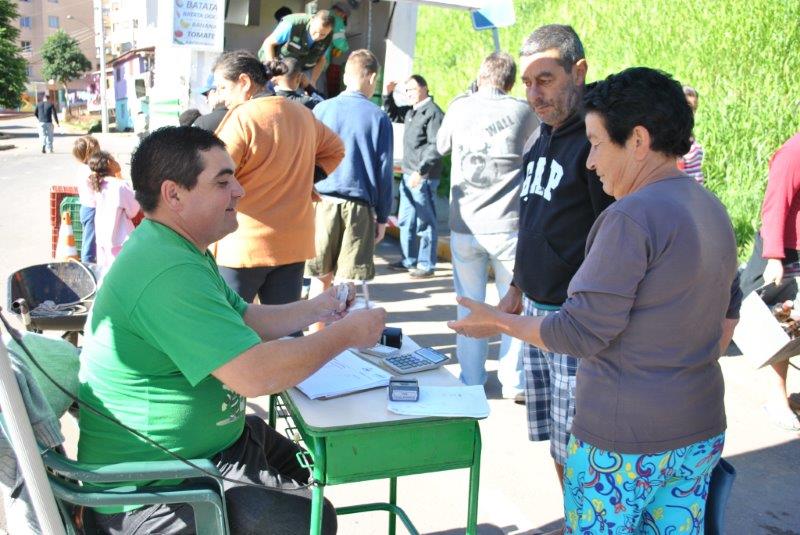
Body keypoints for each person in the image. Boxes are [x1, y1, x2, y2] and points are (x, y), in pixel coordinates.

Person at [450, 66, 741, 534]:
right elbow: (728, 316)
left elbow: (578, 332)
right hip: (699, 429)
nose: (590, 161)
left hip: (624, 443)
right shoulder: (711, 208)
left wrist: (497, 322)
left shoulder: (630, 216)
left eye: (598, 143)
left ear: (639, 141)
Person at [78, 126, 386, 534]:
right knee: (313, 519)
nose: (239, 191)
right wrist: (347, 335)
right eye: (223, 182)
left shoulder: (178, 247)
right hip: (155, 488)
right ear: (174, 195)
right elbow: (254, 375)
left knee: (310, 471)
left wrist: (321, 307)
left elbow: (242, 318)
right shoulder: (167, 269)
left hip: (207, 450)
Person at [493, 25, 614, 499]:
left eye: (544, 79)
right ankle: (575, 519)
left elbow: (611, 234)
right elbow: (534, 221)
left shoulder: (596, 140)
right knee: (558, 443)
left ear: (578, 71)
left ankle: (588, 523)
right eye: (526, 82)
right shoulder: (541, 136)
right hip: (536, 313)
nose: (532, 93)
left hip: (574, 319)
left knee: (581, 444)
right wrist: (517, 288)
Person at [436, 52, 538, 401]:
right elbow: (535, 148)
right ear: (510, 81)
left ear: (480, 76)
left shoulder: (459, 106)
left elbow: (441, 145)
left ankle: (472, 379)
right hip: (509, 224)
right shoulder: (523, 111)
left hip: (465, 225)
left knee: (469, 303)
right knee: (511, 305)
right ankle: (514, 382)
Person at [213, 51, 344, 308]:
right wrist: (307, 178)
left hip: (244, 244)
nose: (221, 97)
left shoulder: (243, 117)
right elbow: (336, 149)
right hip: (293, 241)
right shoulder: (303, 114)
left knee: (229, 329)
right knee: (287, 328)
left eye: (223, 88)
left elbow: (214, 173)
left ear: (244, 82)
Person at [306, 49, 393, 327]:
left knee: (319, 277)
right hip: (358, 207)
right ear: (372, 77)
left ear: (345, 75)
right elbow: (383, 172)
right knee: (347, 281)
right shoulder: (378, 117)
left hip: (321, 201)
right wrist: (382, 216)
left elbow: (308, 159)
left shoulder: (321, 109)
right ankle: (337, 344)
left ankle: (315, 337)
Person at [739, 131, 800, 431]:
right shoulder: (794, 151)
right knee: (782, 329)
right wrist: (774, 257)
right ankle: (777, 398)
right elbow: (775, 204)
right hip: (785, 252)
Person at [383, 74, 445, 278]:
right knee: (406, 221)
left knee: (425, 221)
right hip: (409, 174)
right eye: (406, 91)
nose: (409, 94)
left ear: (424, 88)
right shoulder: (412, 111)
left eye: (412, 89)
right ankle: (408, 259)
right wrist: (389, 95)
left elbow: (436, 146)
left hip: (422, 176)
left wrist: (421, 171)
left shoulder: (433, 113)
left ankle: (426, 264)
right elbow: (392, 114)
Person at [84, 151, 140, 274]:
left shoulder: (97, 184)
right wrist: (120, 176)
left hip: (102, 238)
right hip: (120, 238)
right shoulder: (119, 185)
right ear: (109, 162)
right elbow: (134, 209)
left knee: (105, 273)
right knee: (122, 273)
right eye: (114, 159)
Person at [257, 10, 334, 93]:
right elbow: (268, 43)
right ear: (312, 20)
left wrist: (312, 81)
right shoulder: (292, 25)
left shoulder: (328, 37)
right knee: (269, 91)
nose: (317, 37)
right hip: (275, 62)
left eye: (323, 34)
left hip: (302, 68)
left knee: (302, 94)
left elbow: (322, 59)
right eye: (315, 31)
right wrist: (273, 71)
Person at [72, 135, 101, 264]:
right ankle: (87, 265)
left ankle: (89, 262)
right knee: (89, 241)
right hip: (92, 210)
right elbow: (98, 185)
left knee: (90, 238)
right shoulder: (89, 171)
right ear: (90, 154)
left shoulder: (82, 169)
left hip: (86, 208)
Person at [679, 85, 705, 184]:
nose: (691, 112)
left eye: (694, 108)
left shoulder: (688, 134)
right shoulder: (675, 138)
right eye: (688, 107)